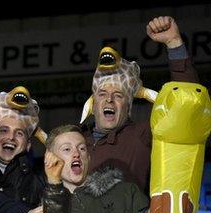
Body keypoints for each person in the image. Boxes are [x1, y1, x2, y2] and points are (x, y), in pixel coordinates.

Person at [81, 16, 198, 192]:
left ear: (129, 106)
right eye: (102, 93)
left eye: (118, 95)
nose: (109, 99)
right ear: (93, 102)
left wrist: (174, 44)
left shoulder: (142, 136)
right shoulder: (75, 139)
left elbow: (186, 106)